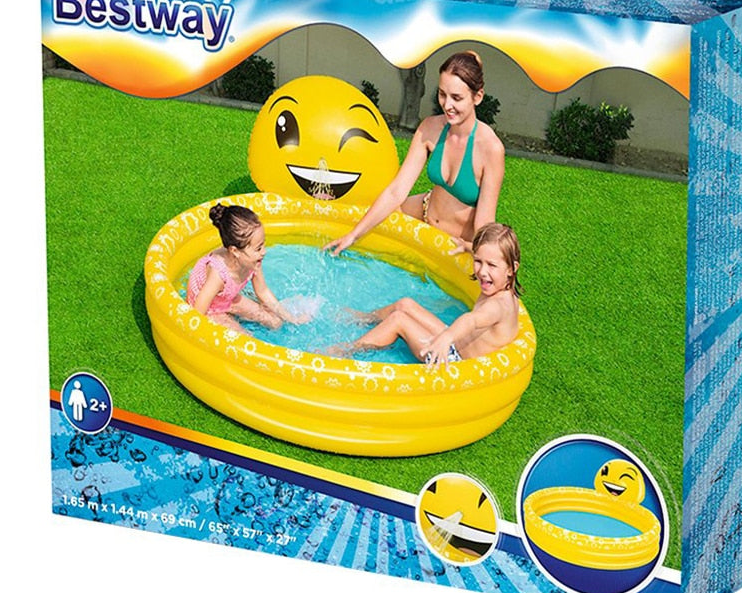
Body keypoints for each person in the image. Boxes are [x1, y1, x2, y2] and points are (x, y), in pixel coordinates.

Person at [325, 51, 505, 255]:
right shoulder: (431, 128)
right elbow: (396, 191)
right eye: (442, 94)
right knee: (365, 223)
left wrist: (470, 248)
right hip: (425, 212)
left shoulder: (490, 149)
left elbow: (484, 224)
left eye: (456, 98)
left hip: (457, 241)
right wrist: (353, 235)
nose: (447, 105)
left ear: (477, 97)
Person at [328, 223, 522, 367]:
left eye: (491, 265)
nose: (482, 271)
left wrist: (446, 339)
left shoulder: (498, 305)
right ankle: (363, 318)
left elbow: (471, 320)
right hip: (454, 341)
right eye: (478, 261)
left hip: (455, 362)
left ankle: (346, 350)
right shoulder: (498, 281)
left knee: (398, 320)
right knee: (405, 304)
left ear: (511, 268)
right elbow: (488, 255)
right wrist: (466, 246)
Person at [187, 203, 310, 332]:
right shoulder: (218, 274)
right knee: (245, 338)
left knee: (275, 322)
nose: (264, 252)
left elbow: (263, 292)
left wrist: (291, 319)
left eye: (263, 245)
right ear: (235, 251)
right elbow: (198, 313)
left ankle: (233, 314)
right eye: (258, 248)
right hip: (210, 309)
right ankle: (231, 318)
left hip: (228, 300)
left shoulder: (253, 261)